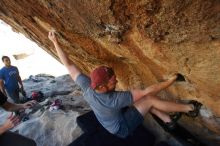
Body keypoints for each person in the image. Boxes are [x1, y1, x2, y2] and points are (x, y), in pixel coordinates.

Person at [48, 31, 202, 138]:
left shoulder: (87, 85)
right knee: (148, 100)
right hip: (122, 128)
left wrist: (55, 41)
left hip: (109, 122)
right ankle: (191, 109)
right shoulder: (114, 99)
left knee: (141, 103)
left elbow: (68, 65)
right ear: (102, 86)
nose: (116, 80)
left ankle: (168, 121)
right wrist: (172, 79)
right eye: (112, 80)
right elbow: (148, 91)